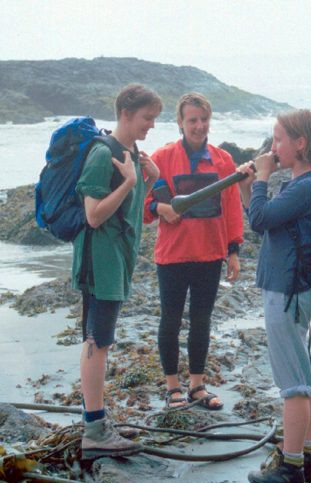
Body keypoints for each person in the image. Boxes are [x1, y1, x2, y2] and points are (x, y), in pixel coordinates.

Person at [238, 109, 311, 483]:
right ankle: (304, 455)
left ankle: (290, 467)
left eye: (278, 139)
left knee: (293, 383)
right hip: (292, 288)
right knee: (302, 378)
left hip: (287, 291)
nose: (273, 147)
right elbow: (264, 219)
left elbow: (260, 221)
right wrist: (249, 187)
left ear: (300, 143)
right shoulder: (304, 183)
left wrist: (261, 177)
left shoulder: (309, 186)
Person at [72, 84, 162, 459]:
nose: (151, 126)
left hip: (117, 262)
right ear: (126, 114)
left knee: (100, 340)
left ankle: (98, 420)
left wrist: (148, 180)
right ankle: (94, 429)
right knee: (98, 341)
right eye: (147, 118)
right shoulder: (101, 153)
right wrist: (128, 181)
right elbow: (93, 215)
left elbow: (130, 213)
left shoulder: (131, 153)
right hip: (100, 264)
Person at [144, 92, 243, 410]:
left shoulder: (222, 160)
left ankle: (197, 385)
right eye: (192, 120)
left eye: (204, 120)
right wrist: (161, 207)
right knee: (170, 320)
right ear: (181, 123)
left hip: (210, 255)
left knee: (202, 320)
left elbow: (231, 207)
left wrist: (233, 250)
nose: (199, 126)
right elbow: (143, 208)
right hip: (172, 255)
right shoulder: (161, 158)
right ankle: (173, 387)